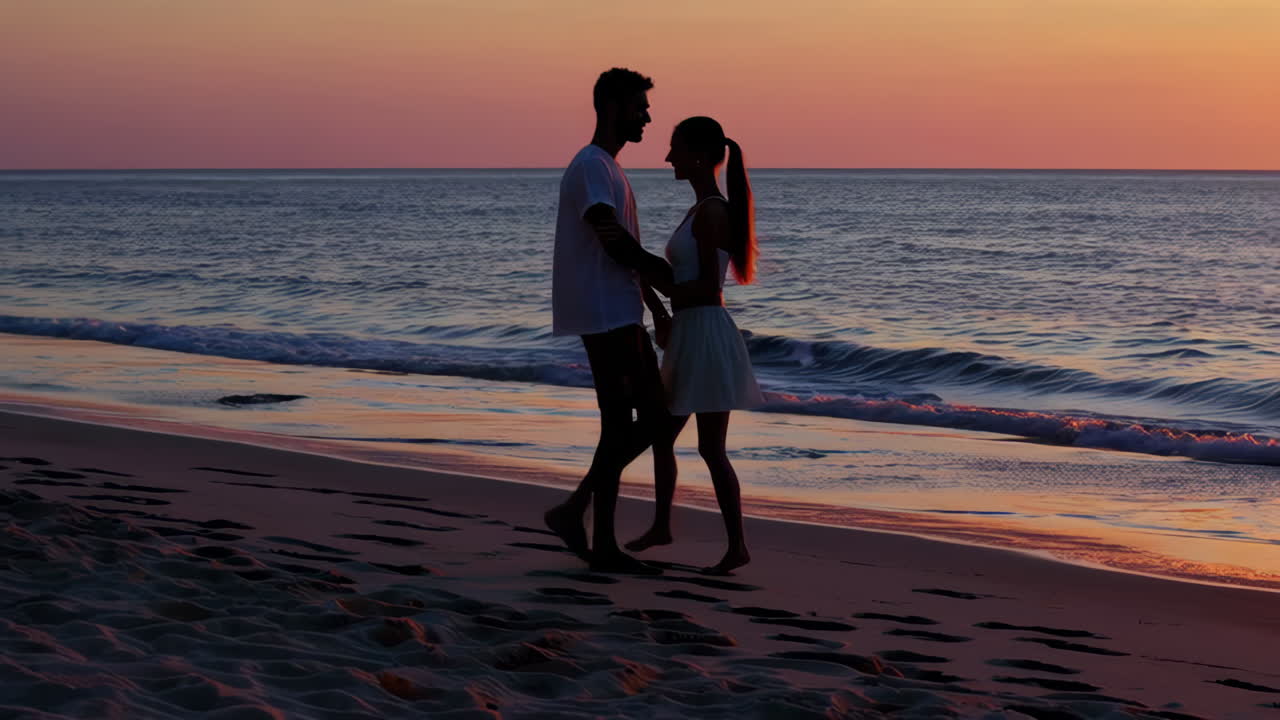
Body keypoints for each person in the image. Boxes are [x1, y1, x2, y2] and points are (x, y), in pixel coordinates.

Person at [544, 68, 674, 575]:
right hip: (602, 312)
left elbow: (620, 249)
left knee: (622, 424)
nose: (647, 115)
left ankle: (598, 540)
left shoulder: (608, 168)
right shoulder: (593, 166)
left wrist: (656, 307)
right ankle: (575, 512)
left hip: (616, 309)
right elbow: (611, 239)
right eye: (639, 106)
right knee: (654, 420)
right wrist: (662, 274)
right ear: (612, 107)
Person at [624, 116, 765, 575]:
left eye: (675, 149)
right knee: (665, 435)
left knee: (709, 446)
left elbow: (707, 286)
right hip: (689, 331)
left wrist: (656, 279)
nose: (668, 158)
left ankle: (737, 545)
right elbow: (685, 284)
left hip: (704, 333)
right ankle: (664, 525)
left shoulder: (711, 212)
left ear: (699, 156)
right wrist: (660, 302)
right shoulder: (698, 209)